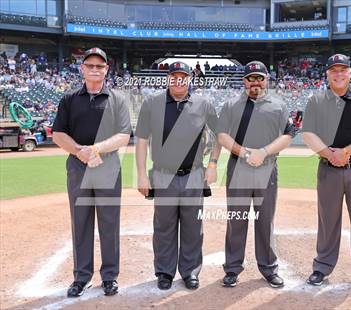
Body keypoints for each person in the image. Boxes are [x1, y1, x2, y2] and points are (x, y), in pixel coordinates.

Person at [52, 47, 131, 297]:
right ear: (82, 68)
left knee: (109, 223)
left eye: (100, 66)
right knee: (81, 222)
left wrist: (95, 149)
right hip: (78, 166)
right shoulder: (69, 98)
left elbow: (123, 135)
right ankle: (82, 276)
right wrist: (79, 151)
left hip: (107, 166)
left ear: (107, 69)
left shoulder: (118, 99)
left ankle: (109, 276)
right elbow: (57, 134)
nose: (95, 69)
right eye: (90, 65)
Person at [136, 61, 221, 291]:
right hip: (163, 174)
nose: (178, 80)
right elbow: (142, 140)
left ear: (189, 79)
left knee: (193, 227)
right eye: (174, 76)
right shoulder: (152, 103)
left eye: (182, 76)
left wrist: (213, 164)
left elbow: (221, 134)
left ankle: (190, 271)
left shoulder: (203, 103)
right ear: (168, 79)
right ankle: (164, 271)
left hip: (194, 174)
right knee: (164, 226)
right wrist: (142, 175)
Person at [301, 54, 351, 292]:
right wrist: (329, 153)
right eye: (334, 70)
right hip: (328, 169)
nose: (338, 74)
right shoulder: (316, 100)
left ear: (349, 72)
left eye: (343, 70)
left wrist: (344, 152)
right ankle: (322, 267)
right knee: (328, 221)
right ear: (327, 73)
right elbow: (307, 134)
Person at [216, 61, 294, 288]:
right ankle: (232, 268)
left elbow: (288, 135)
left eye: (260, 78)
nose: (256, 82)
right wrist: (245, 153)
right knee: (237, 220)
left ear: (266, 81)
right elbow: (221, 135)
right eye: (251, 78)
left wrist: (263, 152)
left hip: (267, 168)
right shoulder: (231, 105)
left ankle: (269, 268)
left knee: (265, 220)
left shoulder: (278, 106)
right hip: (238, 167)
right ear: (244, 82)